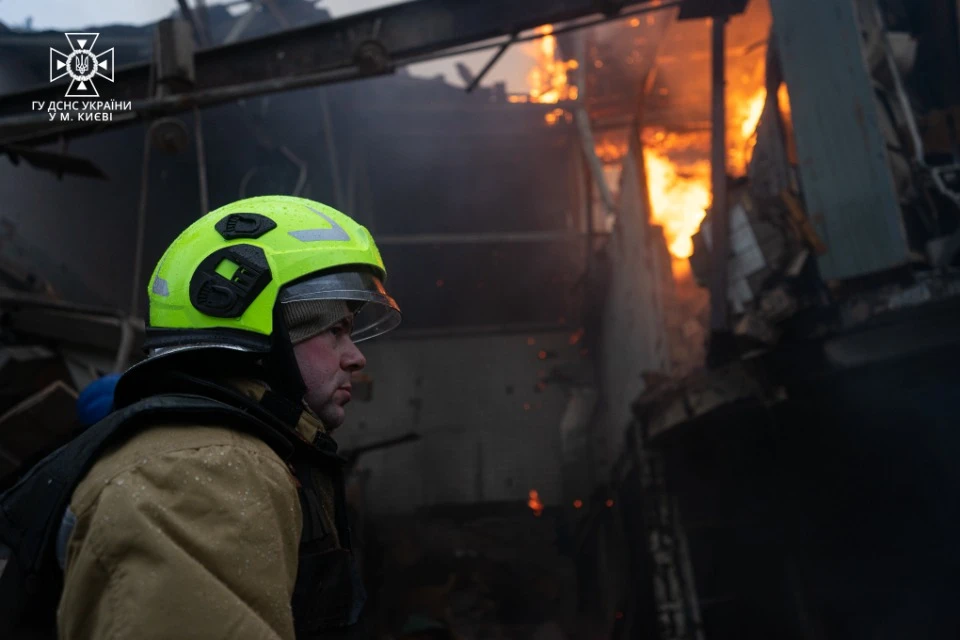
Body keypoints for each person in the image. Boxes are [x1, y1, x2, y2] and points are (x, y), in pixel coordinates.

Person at [0, 195, 401, 639]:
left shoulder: (225, 455)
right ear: (262, 331)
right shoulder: (198, 470)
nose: (357, 357)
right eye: (335, 330)